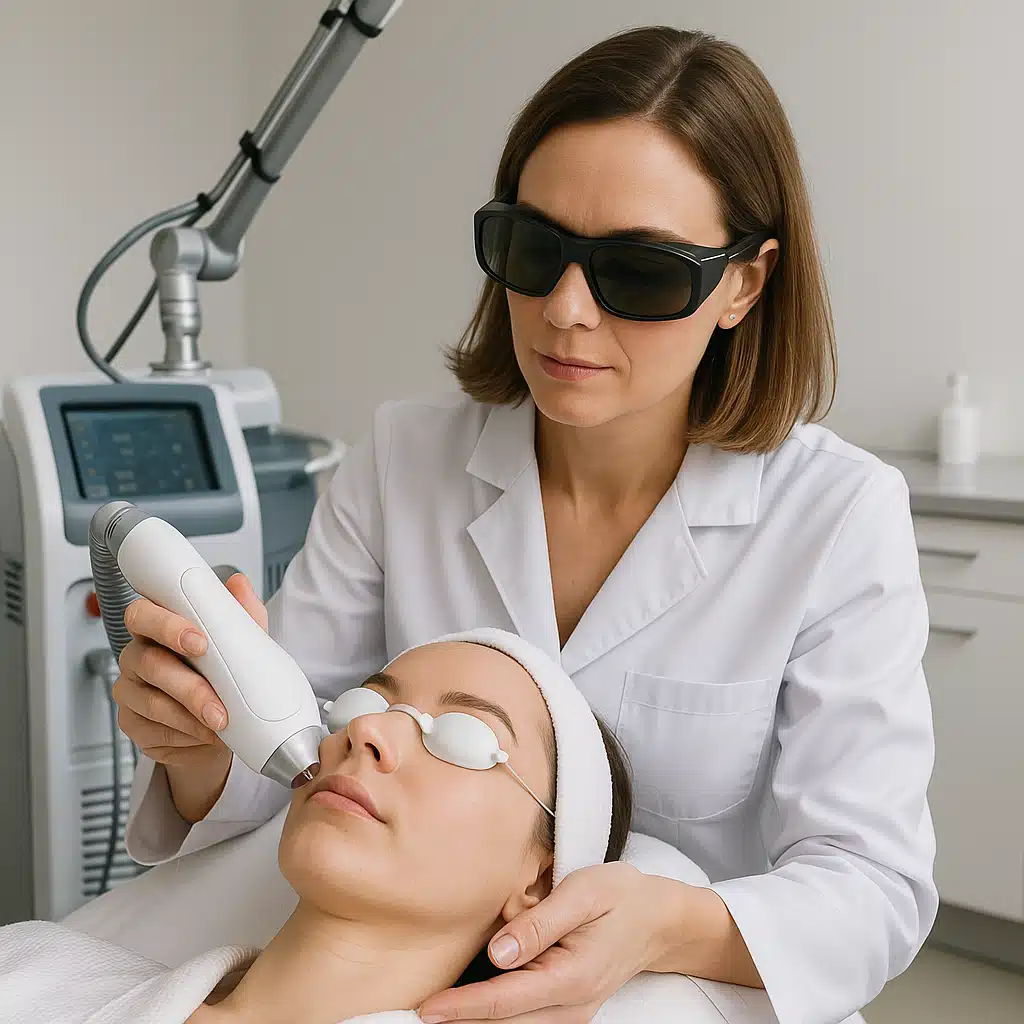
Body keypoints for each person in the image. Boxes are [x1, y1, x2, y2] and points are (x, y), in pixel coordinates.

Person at [113, 24, 937, 1024]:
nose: (565, 311)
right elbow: (291, 757)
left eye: (638, 273)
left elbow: (871, 887)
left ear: (744, 283)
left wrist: (665, 925)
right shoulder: (404, 461)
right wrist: (199, 746)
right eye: (532, 250)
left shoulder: (835, 514)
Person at [0, 630, 635, 1023]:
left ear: (541, 877)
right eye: (366, 702)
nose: (369, 730)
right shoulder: (35, 968)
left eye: (464, 736)